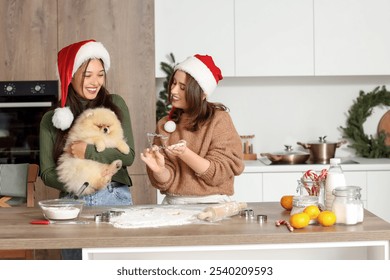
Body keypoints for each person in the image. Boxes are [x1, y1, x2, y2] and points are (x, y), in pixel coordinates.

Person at [39, 39, 135, 259]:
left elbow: (128, 156)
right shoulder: (51, 120)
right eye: (87, 74)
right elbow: (46, 173)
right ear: (70, 75)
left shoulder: (114, 104)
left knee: (115, 267)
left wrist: (87, 153)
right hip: (73, 203)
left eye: (100, 74)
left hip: (113, 197)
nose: (95, 81)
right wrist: (83, 180)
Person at [141, 54, 244, 204]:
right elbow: (167, 182)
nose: (174, 91)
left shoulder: (219, 120)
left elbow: (218, 174)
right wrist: (159, 170)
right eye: (173, 83)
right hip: (173, 205)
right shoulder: (165, 124)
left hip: (213, 205)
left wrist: (185, 153)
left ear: (201, 93)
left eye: (182, 87)